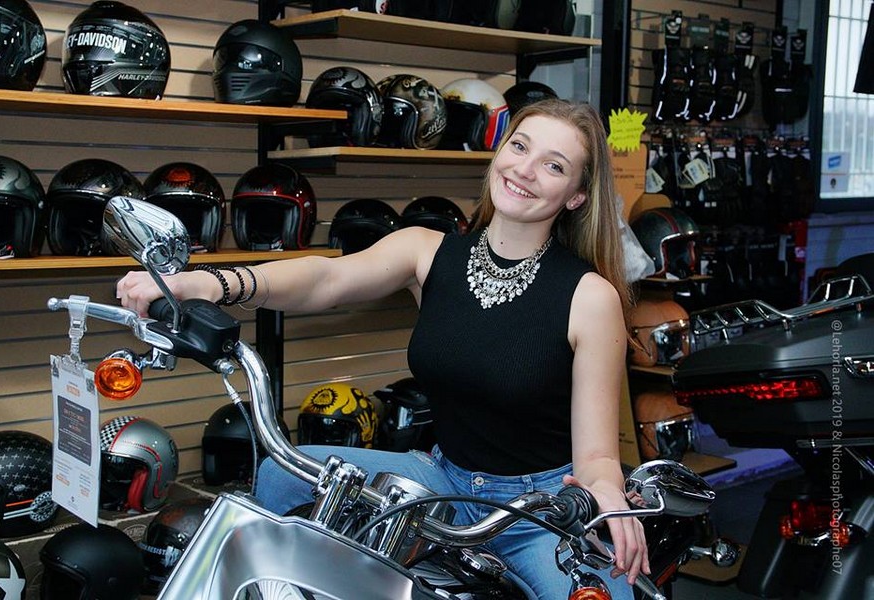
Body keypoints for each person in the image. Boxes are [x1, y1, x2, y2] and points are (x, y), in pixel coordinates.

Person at [116, 98, 648, 599]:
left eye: (553, 166)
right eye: (520, 146)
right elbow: (327, 278)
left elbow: (598, 457)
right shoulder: (428, 252)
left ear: (576, 196)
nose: (525, 170)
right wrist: (210, 284)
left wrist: (606, 493)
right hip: (443, 482)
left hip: (538, 512)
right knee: (281, 473)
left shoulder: (589, 297)